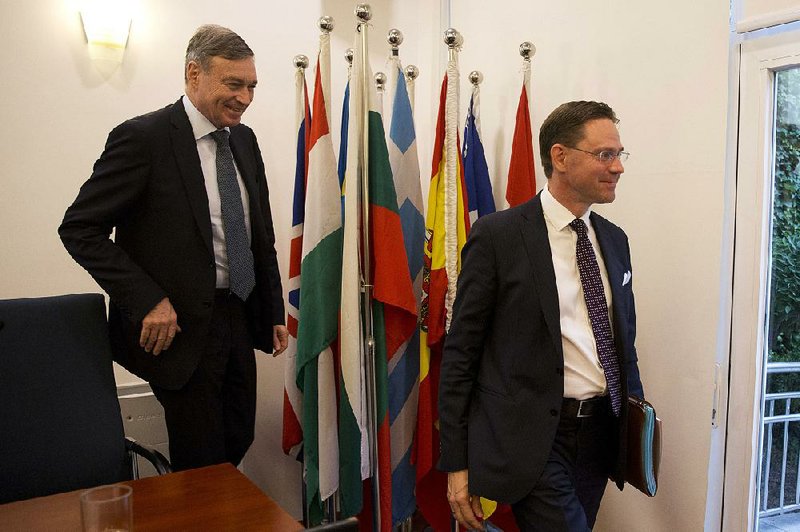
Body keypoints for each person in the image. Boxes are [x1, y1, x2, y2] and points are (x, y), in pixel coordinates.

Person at [59, 24, 288, 471]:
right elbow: (80, 229)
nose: (245, 97)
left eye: (252, 86)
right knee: (202, 459)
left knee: (238, 436)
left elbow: (260, 234)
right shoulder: (143, 138)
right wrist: (147, 299)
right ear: (193, 74)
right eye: (234, 84)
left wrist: (272, 309)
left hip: (238, 316)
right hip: (179, 332)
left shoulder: (244, 139)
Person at [438, 101, 644, 531]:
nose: (618, 167)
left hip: (600, 437)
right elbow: (461, 356)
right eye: (605, 155)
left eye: (619, 154)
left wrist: (635, 427)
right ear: (561, 157)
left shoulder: (614, 240)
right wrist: (456, 462)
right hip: (531, 439)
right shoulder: (499, 237)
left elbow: (624, 345)